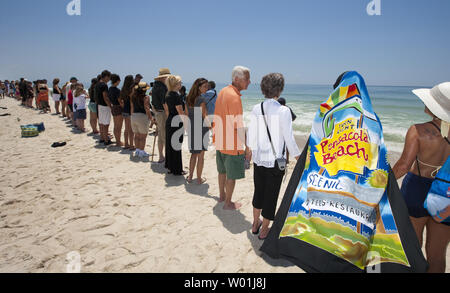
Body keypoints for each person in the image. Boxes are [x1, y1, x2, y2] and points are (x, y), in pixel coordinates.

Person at [393, 82, 450, 273]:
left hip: (416, 192)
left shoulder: (418, 130)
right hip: (445, 195)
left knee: (413, 252)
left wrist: (380, 181)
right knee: (437, 255)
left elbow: (402, 166)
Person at [247, 73, 301, 240]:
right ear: (280, 89)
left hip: (259, 160)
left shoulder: (257, 108)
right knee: (271, 196)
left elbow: (251, 137)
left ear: (264, 88)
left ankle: (255, 224)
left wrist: (250, 154)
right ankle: (264, 230)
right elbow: (289, 139)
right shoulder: (283, 111)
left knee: (259, 192)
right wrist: (299, 158)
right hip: (275, 162)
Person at [213, 66, 251, 210]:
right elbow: (238, 126)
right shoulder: (234, 97)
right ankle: (228, 203)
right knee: (232, 175)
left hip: (220, 140)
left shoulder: (223, 91)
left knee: (222, 171)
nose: (249, 82)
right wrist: (247, 146)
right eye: (246, 79)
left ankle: (222, 196)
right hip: (232, 143)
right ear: (236, 79)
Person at [186, 78, 210, 184]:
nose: (207, 88)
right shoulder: (201, 100)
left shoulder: (187, 99)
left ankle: (190, 177)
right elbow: (204, 116)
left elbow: (186, 115)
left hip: (192, 128)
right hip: (201, 128)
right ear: (199, 87)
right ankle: (199, 178)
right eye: (205, 86)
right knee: (201, 156)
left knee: (194, 154)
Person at [164, 75, 186, 175]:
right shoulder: (176, 95)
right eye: (180, 83)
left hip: (170, 121)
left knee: (170, 145)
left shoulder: (168, 94)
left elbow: (167, 110)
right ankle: (177, 170)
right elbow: (180, 112)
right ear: (176, 84)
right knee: (176, 145)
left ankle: (170, 167)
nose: (181, 84)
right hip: (176, 122)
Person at [152, 68, 171, 163]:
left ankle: (161, 156)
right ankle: (166, 157)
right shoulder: (162, 87)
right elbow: (165, 103)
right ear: (163, 77)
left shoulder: (155, 86)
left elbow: (153, 101)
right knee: (165, 136)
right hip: (163, 113)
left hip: (158, 112)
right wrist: (168, 115)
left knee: (160, 135)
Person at [131, 82, 154, 158]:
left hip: (134, 116)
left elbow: (132, 108)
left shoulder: (133, 96)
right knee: (143, 136)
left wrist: (132, 115)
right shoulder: (146, 97)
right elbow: (147, 108)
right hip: (142, 117)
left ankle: (137, 150)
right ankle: (141, 151)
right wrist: (151, 118)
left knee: (136, 135)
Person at [95, 70, 112, 145]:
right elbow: (105, 97)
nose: (109, 79)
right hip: (104, 106)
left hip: (99, 105)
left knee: (101, 122)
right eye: (109, 77)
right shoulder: (104, 85)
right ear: (106, 76)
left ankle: (102, 137)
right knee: (106, 123)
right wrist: (110, 106)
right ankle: (106, 140)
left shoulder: (97, 84)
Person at [119, 75, 135, 150]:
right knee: (131, 129)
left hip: (125, 109)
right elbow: (132, 100)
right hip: (130, 110)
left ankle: (126, 144)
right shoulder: (132, 88)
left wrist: (122, 105)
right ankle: (131, 145)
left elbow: (120, 100)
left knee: (126, 128)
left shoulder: (123, 89)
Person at [109, 74, 123, 147]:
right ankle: (118, 141)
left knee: (115, 126)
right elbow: (120, 101)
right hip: (118, 107)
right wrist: (123, 107)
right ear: (117, 81)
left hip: (113, 107)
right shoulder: (117, 90)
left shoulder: (110, 89)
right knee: (119, 126)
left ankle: (117, 140)